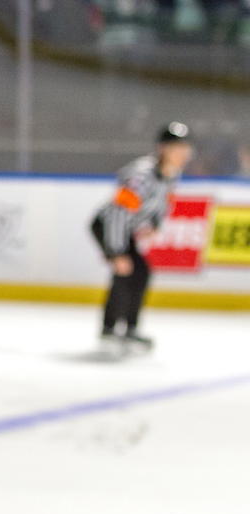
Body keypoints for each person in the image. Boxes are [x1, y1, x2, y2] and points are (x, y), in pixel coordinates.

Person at [90, 121, 193, 351]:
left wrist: (155, 223)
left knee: (137, 272)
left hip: (124, 228)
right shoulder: (141, 175)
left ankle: (123, 328)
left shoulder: (171, 174)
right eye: (178, 148)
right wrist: (115, 252)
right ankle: (114, 328)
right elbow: (118, 213)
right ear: (163, 149)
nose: (183, 154)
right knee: (128, 271)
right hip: (108, 226)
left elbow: (163, 201)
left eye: (185, 149)